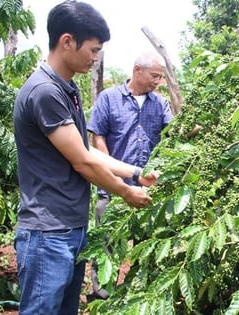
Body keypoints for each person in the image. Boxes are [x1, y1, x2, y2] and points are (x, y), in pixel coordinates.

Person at [13, 1, 159, 314]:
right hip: (47, 233)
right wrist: (126, 191)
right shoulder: (44, 91)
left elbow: (87, 150)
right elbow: (83, 161)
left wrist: (135, 172)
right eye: (93, 50)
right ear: (67, 42)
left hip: (69, 228)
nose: (96, 58)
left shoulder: (66, 90)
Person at [86, 50, 173, 298]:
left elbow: (175, 132)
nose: (157, 82)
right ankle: (102, 299)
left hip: (148, 192)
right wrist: (110, 171)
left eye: (160, 77)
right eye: (154, 76)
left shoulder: (160, 104)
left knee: (145, 248)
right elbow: (97, 137)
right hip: (112, 189)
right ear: (137, 70)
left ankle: (137, 298)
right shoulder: (109, 99)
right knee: (106, 247)